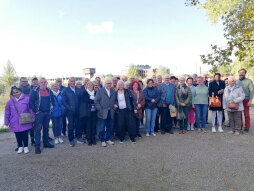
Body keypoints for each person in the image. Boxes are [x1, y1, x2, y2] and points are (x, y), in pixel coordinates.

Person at [5, 86, 34, 154]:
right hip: (14, 121)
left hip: (25, 120)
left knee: (25, 134)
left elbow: (31, 109)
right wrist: (6, 121)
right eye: (13, 93)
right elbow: (7, 112)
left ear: (20, 91)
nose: (15, 94)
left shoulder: (27, 99)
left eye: (17, 92)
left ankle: (26, 146)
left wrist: (33, 117)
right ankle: (20, 146)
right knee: (17, 134)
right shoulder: (10, 101)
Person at [29, 78, 55, 154]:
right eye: (42, 82)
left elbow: (52, 100)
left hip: (47, 113)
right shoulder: (34, 91)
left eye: (45, 82)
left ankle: (46, 143)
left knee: (46, 128)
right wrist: (36, 111)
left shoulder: (49, 90)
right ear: (39, 83)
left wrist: (51, 108)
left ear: (47, 83)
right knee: (38, 130)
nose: (43, 84)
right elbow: (31, 102)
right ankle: (37, 146)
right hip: (39, 113)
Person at [94, 78, 116, 147]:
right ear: (104, 84)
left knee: (110, 126)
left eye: (110, 83)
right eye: (107, 83)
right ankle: (102, 140)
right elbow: (96, 101)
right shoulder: (100, 91)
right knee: (101, 127)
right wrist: (100, 109)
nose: (109, 84)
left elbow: (115, 100)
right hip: (102, 112)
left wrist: (115, 104)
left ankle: (108, 139)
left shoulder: (113, 91)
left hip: (111, 112)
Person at [62, 77, 84, 147]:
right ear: (69, 82)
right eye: (71, 81)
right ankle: (71, 140)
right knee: (71, 126)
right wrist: (69, 108)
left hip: (78, 111)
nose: (72, 82)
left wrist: (80, 108)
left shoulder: (78, 89)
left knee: (78, 125)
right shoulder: (65, 90)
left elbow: (81, 100)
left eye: (73, 81)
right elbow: (64, 101)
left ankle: (79, 137)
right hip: (70, 111)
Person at [236, 68, 254, 133]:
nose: (241, 73)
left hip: (246, 99)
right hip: (239, 100)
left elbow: (252, 91)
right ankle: (240, 126)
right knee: (239, 114)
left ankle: (247, 127)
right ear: (238, 73)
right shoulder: (236, 82)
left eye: (243, 72)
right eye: (240, 72)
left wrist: (250, 100)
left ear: (245, 73)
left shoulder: (249, 81)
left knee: (246, 114)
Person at [79, 81, 97, 145]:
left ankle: (93, 139)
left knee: (93, 126)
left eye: (91, 85)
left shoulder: (95, 92)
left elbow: (97, 100)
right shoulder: (84, 92)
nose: (90, 86)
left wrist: (92, 102)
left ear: (93, 86)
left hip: (94, 112)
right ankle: (89, 139)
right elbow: (86, 100)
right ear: (86, 86)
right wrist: (94, 102)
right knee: (88, 127)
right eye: (88, 85)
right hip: (87, 112)